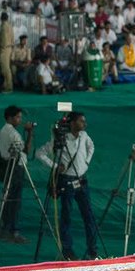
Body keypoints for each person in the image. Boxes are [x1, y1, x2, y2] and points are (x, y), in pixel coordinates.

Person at [36, 111, 98, 260]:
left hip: (82, 180)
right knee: (66, 216)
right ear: (72, 123)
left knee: (88, 216)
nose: (84, 124)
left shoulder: (84, 136)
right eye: (81, 121)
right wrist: (55, 165)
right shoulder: (59, 139)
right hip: (66, 181)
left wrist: (86, 163)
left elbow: (91, 146)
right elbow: (40, 153)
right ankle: (67, 250)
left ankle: (93, 250)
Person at [0, 105, 35, 244]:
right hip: (14, 168)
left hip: (11, 166)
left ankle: (6, 229)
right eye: (18, 117)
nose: (20, 120)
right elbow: (26, 150)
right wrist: (30, 133)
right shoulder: (11, 133)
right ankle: (12, 231)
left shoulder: (6, 131)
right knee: (14, 201)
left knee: (10, 200)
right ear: (10, 117)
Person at [0, 12, 15, 92]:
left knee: (5, 69)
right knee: (6, 68)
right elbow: (12, 37)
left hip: (4, 48)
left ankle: (9, 86)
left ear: (1, 18)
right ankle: (5, 85)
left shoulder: (3, 26)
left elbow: (3, 38)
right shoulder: (10, 26)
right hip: (9, 47)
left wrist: (2, 48)